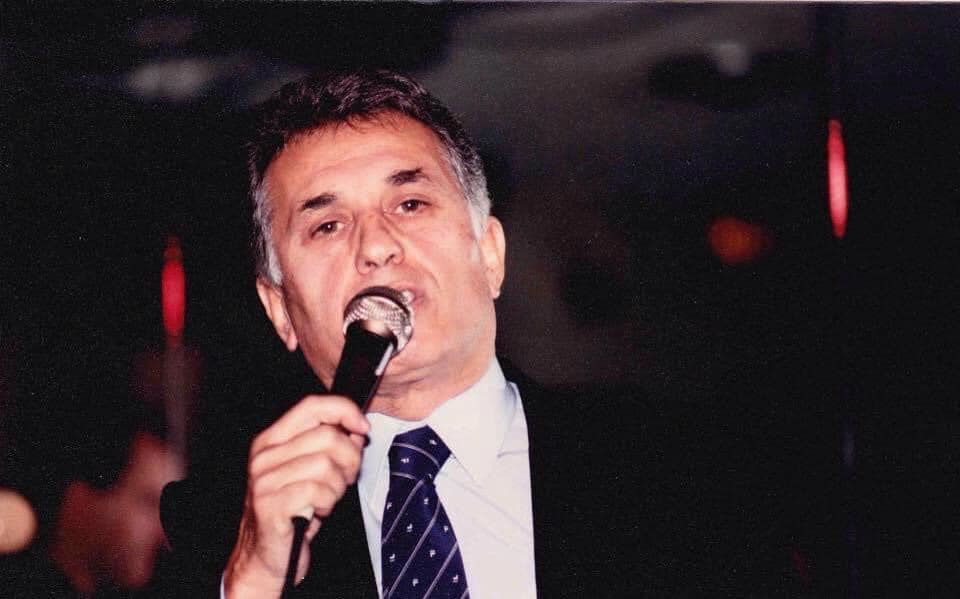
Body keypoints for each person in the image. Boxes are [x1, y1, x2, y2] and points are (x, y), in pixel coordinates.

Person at [159, 69, 789, 598]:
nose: (376, 246)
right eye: (327, 226)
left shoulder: (683, 467)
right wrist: (253, 580)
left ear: (489, 255)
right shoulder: (211, 532)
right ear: (279, 310)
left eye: (410, 204)